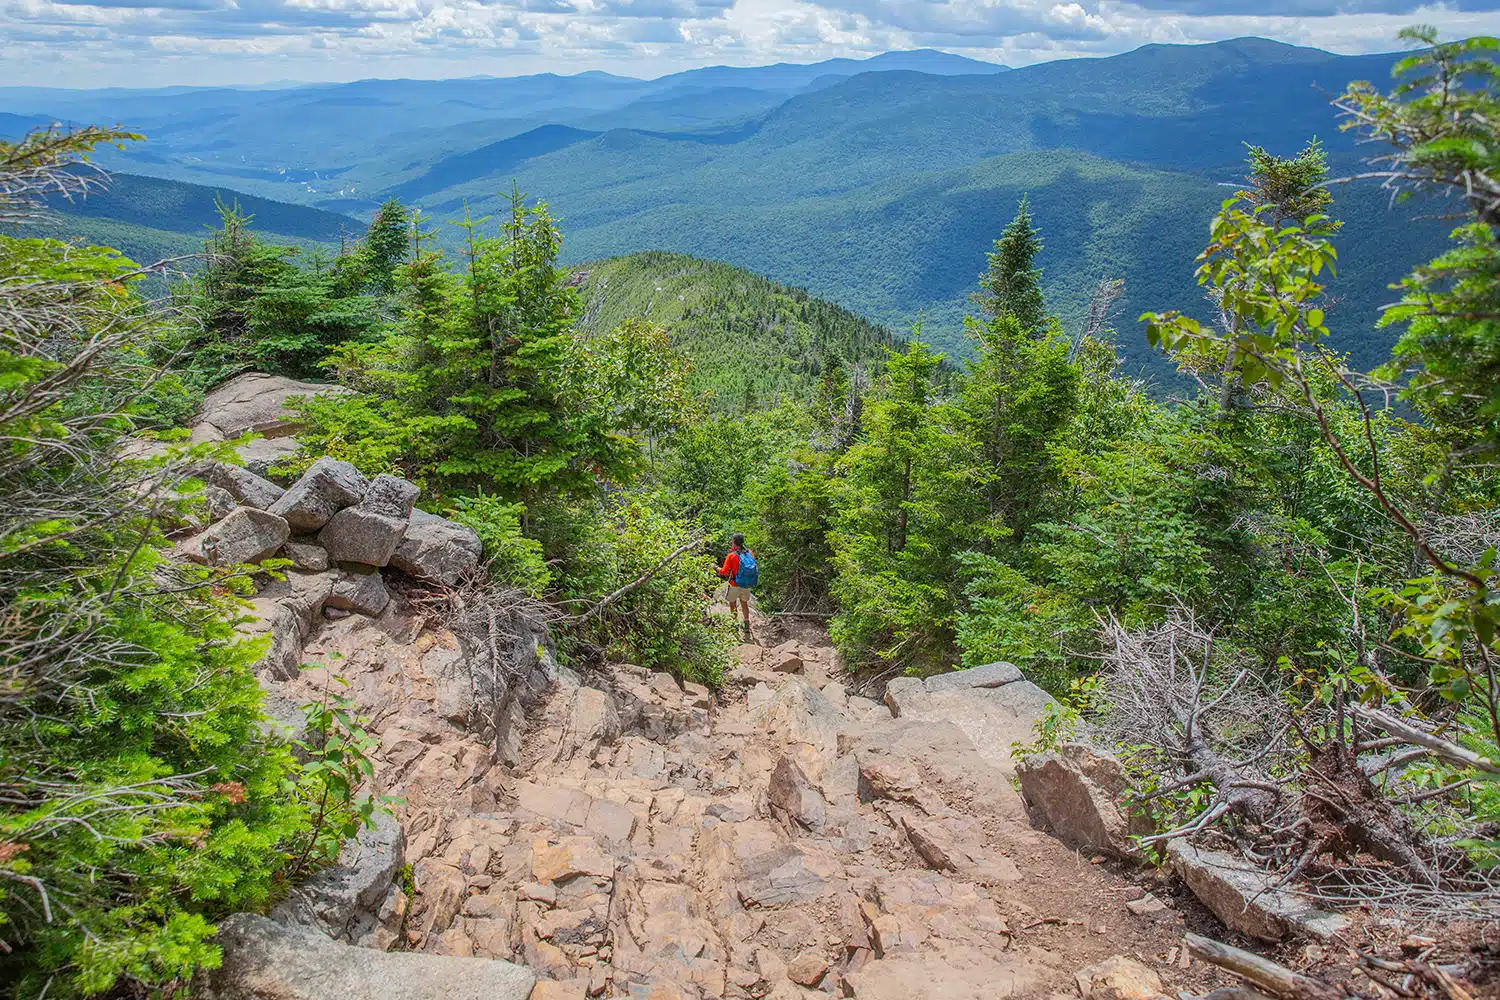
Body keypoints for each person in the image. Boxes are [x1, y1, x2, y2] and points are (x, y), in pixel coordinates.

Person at [717, 533, 758, 639]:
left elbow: (724, 572)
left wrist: (715, 567)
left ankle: (734, 625)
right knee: (744, 603)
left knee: (733, 604)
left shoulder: (732, 555)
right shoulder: (750, 553)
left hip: (734, 584)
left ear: (734, 542)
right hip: (746, 584)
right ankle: (746, 624)